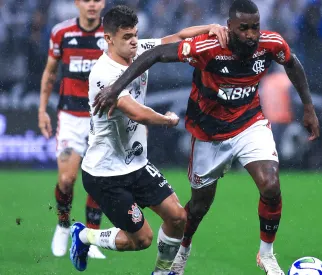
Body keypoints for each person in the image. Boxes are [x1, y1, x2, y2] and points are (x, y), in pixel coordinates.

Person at [91, 1, 320, 274]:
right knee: (198, 205)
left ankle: (266, 254)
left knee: (270, 185)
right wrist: (116, 89)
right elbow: (156, 54)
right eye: (243, 28)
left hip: (250, 124)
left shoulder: (271, 44)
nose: (250, 34)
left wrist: (308, 107)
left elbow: (292, 63)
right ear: (230, 28)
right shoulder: (207, 48)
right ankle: (183, 247)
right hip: (208, 134)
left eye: (255, 28)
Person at [69, 5, 228, 274]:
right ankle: (84, 236)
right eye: (127, 36)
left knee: (178, 217)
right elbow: (136, 111)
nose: (134, 41)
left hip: (137, 165)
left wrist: (209, 28)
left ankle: (162, 272)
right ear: (109, 39)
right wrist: (166, 120)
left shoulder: (140, 49)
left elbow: (177, 38)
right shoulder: (103, 73)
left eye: (136, 34)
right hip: (105, 173)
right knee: (141, 239)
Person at [38, 0, 107, 259]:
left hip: (102, 118)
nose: (92, 4)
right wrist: (42, 109)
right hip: (70, 117)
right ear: (77, 2)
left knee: (99, 181)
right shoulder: (62, 32)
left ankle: (90, 238)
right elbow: (50, 72)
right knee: (66, 180)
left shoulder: (111, 34)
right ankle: (64, 224)